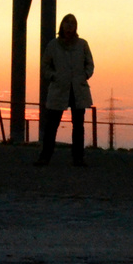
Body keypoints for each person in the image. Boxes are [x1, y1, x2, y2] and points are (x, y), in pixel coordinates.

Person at [35, 13, 94, 167]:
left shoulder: (82, 45)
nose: (69, 25)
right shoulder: (53, 45)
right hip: (59, 89)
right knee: (51, 125)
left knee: (78, 126)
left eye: (72, 23)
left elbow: (90, 64)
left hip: (77, 89)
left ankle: (78, 158)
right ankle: (45, 157)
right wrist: (53, 76)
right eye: (66, 22)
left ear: (76, 27)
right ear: (61, 25)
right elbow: (45, 65)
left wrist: (84, 75)